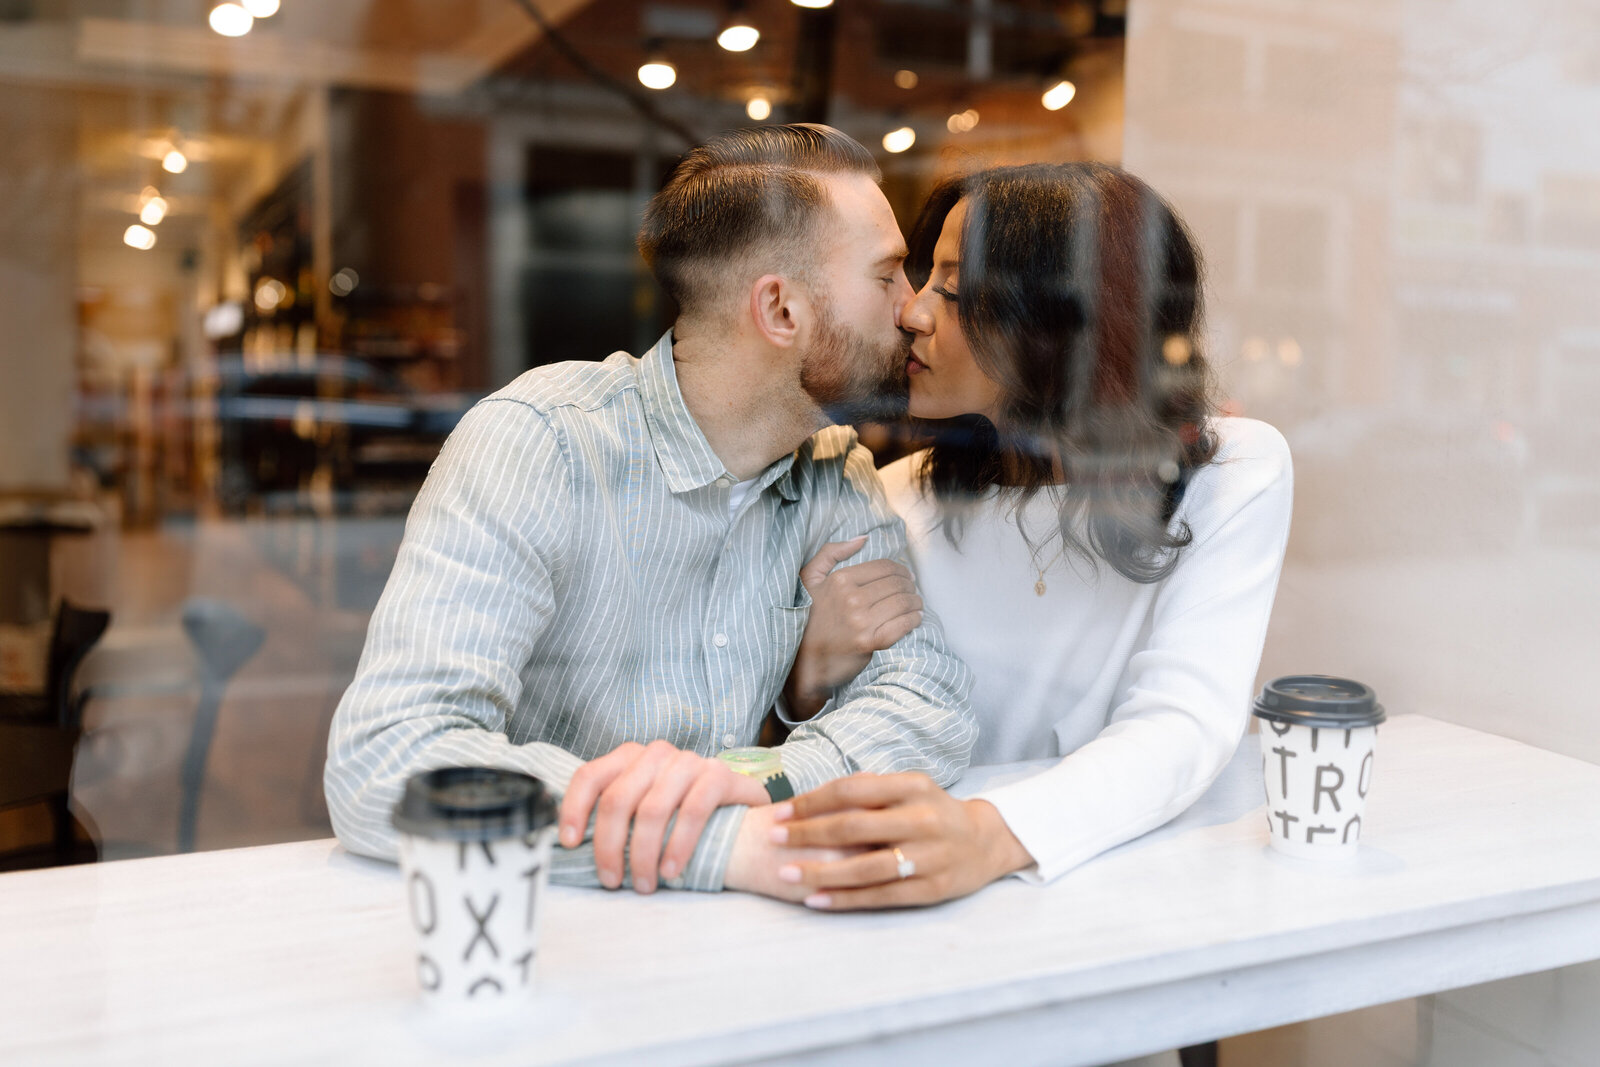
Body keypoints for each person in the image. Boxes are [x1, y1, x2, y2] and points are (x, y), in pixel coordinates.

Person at [324, 124, 975, 900]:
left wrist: (753, 784)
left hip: (734, 949)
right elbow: (389, 754)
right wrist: (718, 841)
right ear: (781, 310)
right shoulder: (541, 444)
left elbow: (929, 699)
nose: (912, 310)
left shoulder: (834, 466)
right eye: (888, 274)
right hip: (538, 940)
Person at [761, 162, 1293, 909]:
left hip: (1122, 898)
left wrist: (985, 835)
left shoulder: (1230, 471)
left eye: (953, 286)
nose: (913, 312)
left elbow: (1183, 724)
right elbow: (819, 747)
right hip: (922, 902)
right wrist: (803, 682)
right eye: (923, 279)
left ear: (1058, 319)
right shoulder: (891, 496)